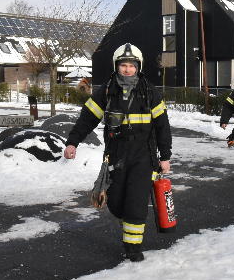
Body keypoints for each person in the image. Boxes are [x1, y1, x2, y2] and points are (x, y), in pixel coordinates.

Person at [64, 43, 172, 261]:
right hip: (117, 154)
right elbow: (87, 119)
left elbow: (163, 126)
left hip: (144, 155)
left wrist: (165, 156)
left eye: (132, 66)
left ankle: (133, 248)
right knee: (115, 202)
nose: (127, 70)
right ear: (116, 66)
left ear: (138, 67)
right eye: (124, 65)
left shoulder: (150, 92)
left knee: (136, 202)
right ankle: (129, 223)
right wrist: (72, 142)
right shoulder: (106, 91)